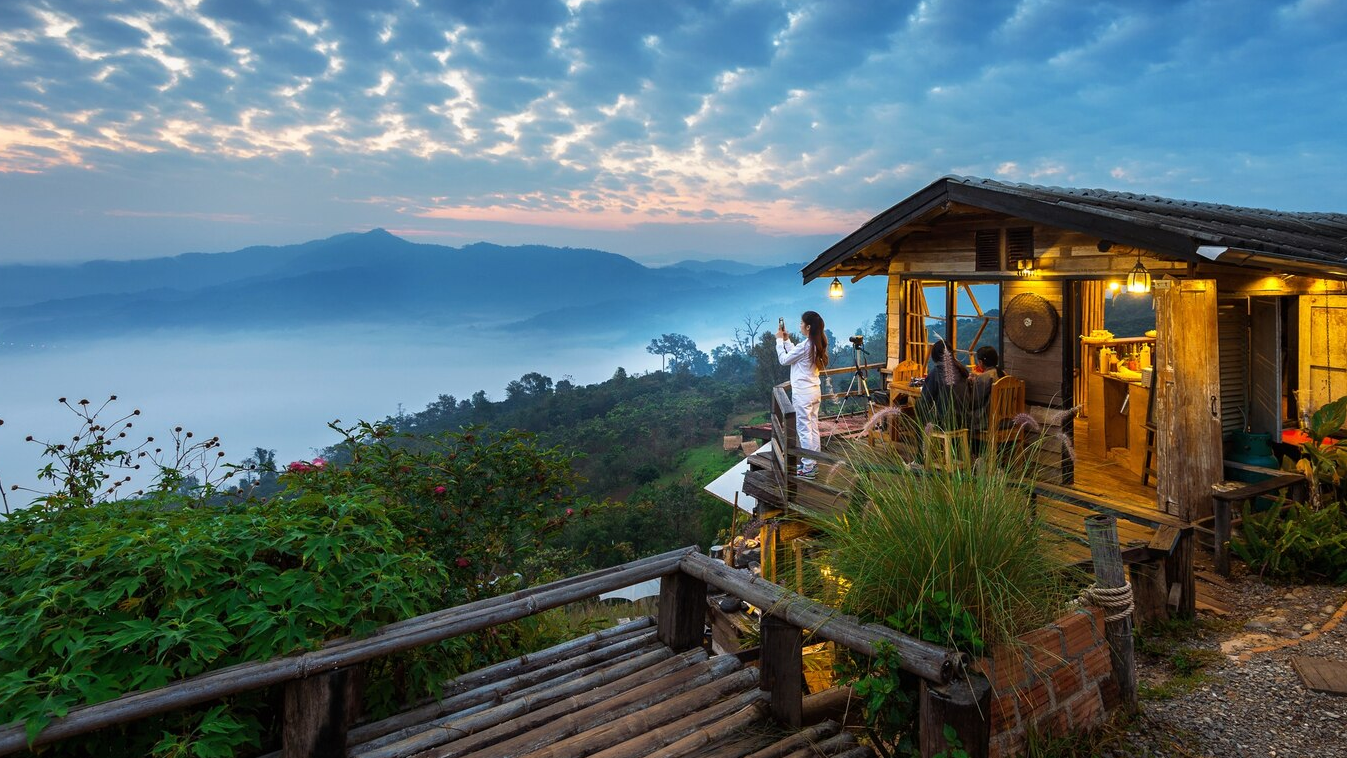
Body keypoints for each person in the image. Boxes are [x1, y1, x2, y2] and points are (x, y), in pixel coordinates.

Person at [777, 311, 828, 478]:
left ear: (808, 327)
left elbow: (784, 360)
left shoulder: (806, 345)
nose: (799, 325)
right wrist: (786, 340)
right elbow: (795, 356)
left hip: (803, 394)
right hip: (814, 391)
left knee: (804, 429)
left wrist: (778, 340)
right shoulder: (814, 344)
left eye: (801, 323)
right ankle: (812, 462)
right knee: (812, 427)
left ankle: (808, 468)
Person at [917, 338, 970, 428]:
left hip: (946, 421)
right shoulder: (961, 370)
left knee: (919, 407)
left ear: (935, 356)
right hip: (964, 420)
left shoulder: (937, 372)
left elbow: (925, 401)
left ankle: (922, 440)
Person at [969, 345, 1001, 432]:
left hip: (985, 420)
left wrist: (973, 384)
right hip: (1004, 420)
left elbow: (973, 402)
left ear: (981, 362)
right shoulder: (1003, 373)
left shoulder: (985, 378)